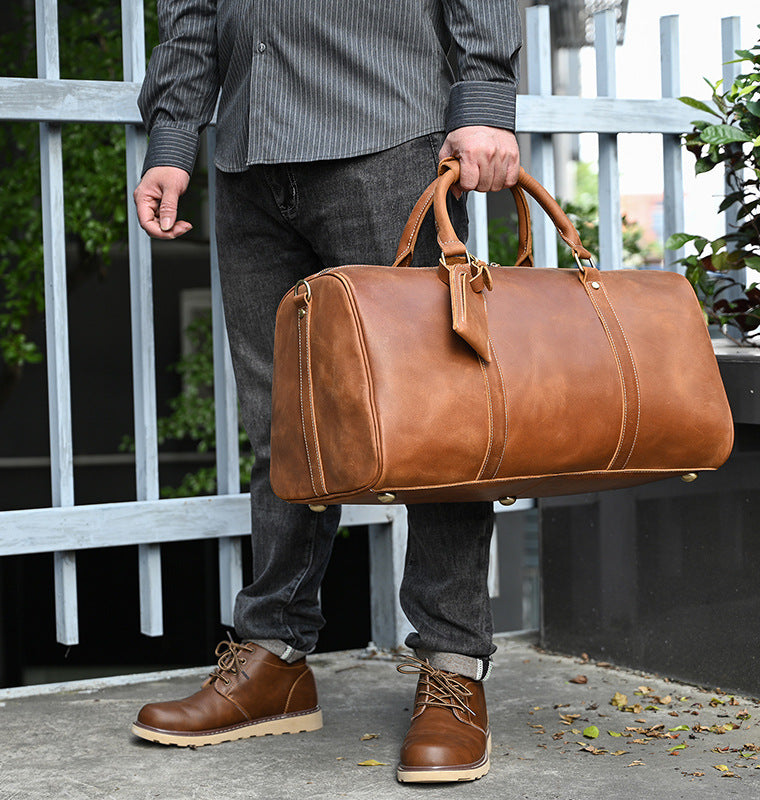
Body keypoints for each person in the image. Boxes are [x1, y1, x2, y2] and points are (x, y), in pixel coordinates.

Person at [130, 0, 521, 784]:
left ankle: (452, 666)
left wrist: (482, 99)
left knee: (432, 415)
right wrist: (174, 134)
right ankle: (274, 656)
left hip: (387, 137)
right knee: (281, 420)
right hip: (248, 154)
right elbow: (193, 8)